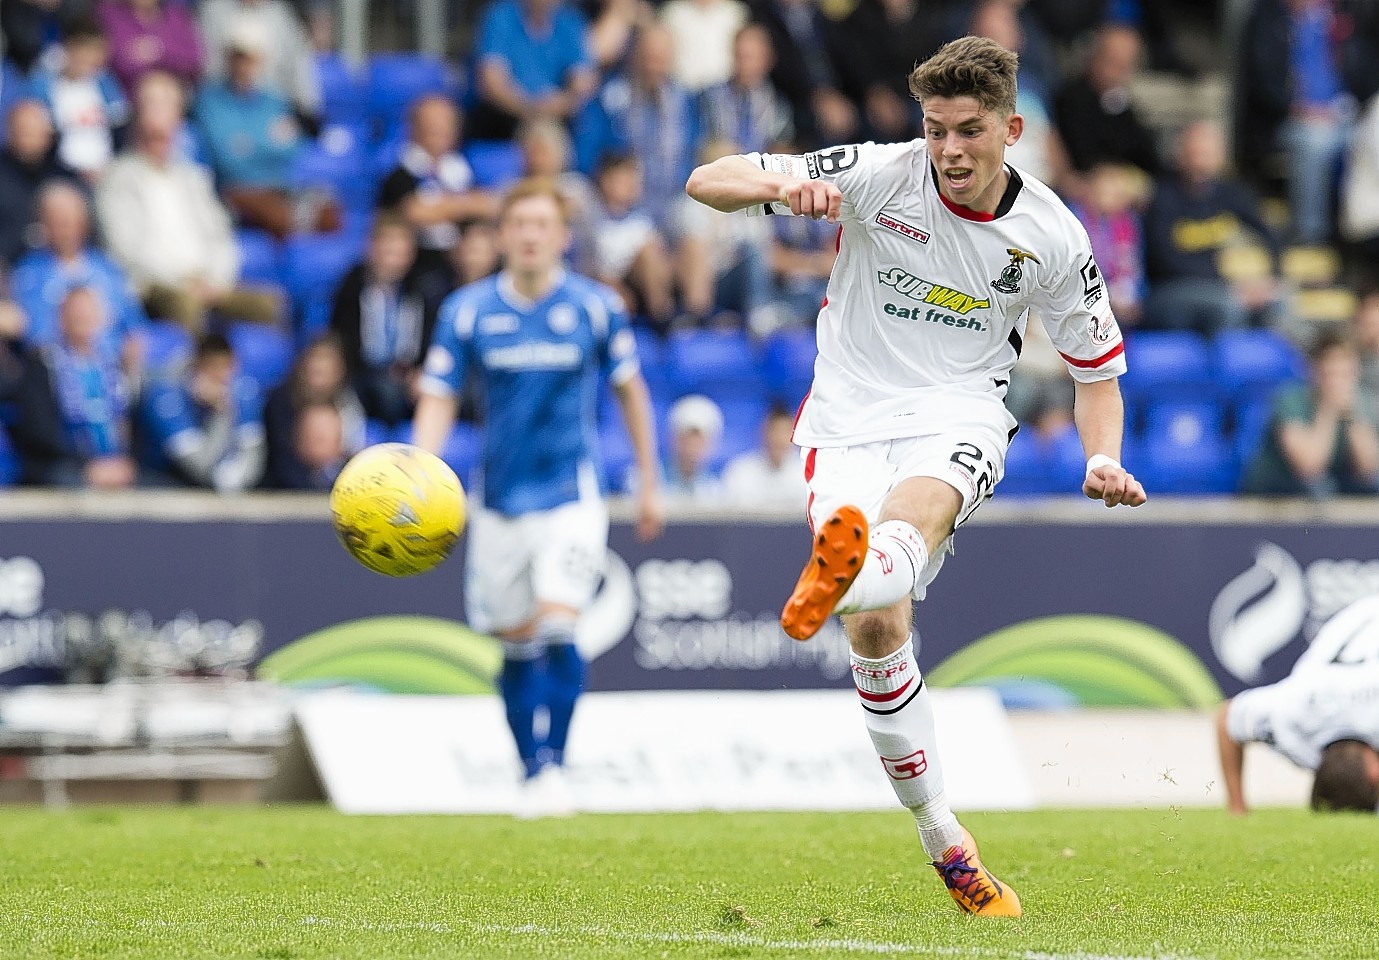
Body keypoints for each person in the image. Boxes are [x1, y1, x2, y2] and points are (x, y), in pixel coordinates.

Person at [685, 35, 1147, 917]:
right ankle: (945, 838)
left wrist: (1101, 457)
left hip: (958, 410)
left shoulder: (1049, 232)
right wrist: (787, 186)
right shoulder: (875, 170)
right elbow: (705, 181)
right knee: (874, 628)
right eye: (934, 130)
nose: (948, 151)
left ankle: (854, 566)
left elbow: (1097, 372)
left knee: (902, 530)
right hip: (846, 421)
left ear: (1011, 128)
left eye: (968, 131)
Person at [413, 177, 664, 816]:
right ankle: (530, 771)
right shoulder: (467, 311)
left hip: (571, 491)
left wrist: (650, 482)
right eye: (517, 223)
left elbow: (630, 391)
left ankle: (558, 765)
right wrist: (418, 468)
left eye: (540, 224)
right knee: (516, 642)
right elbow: (439, 394)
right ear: (502, 236)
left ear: (560, 236)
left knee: (559, 622)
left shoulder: (595, 307)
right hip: (497, 498)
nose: (528, 235)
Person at [97, 76, 282, 333]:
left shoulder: (193, 177)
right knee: (186, 306)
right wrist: (184, 282)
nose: (159, 125)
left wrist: (215, 280)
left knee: (270, 304)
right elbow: (126, 250)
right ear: (137, 118)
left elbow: (220, 235)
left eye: (166, 109)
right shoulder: (118, 178)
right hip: (155, 287)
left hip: (207, 283)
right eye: (152, 108)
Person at [1216, 595, 1379, 815]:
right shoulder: (1294, 710)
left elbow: (1227, 717)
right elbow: (1227, 718)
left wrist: (1237, 808)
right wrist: (1237, 809)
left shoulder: (1292, 714)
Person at [194, 20, 338, 240]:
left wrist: (249, 144)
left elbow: (292, 149)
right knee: (277, 216)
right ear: (228, 57)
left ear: (262, 60)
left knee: (331, 214)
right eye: (239, 56)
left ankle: (294, 227)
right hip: (235, 191)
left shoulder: (274, 100)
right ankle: (293, 228)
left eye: (252, 58)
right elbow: (229, 159)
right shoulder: (210, 100)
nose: (245, 65)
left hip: (280, 187)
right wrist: (268, 143)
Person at [1142, 120, 1280, 335]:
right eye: (1196, 152)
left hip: (1232, 285)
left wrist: (1267, 279)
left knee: (1281, 301)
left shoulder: (1235, 194)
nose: (1202, 160)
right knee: (1227, 305)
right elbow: (1164, 260)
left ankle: (1274, 369)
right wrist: (1228, 283)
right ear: (1181, 156)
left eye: (1208, 152)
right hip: (1172, 289)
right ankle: (1228, 368)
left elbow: (1269, 237)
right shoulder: (1162, 198)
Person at [10, 181, 148, 374]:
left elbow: (133, 323)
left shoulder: (106, 267)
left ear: (83, 224)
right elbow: (36, 338)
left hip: (115, 367)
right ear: (43, 225)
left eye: (69, 222)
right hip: (62, 373)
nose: (64, 230)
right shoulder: (29, 273)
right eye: (56, 222)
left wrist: (132, 346)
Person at [12, 286, 140, 489]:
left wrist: (123, 463)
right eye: (75, 312)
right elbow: (39, 429)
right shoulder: (43, 363)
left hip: (115, 464)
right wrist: (88, 466)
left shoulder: (113, 364)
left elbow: (128, 420)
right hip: (62, 464)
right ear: (61, 318)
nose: (82, 317)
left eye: (88, 312)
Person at [377, 95, 498, 287]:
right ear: (414, 128)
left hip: (458, 260)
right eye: (431, 124)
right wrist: (465, 204)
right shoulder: (400, 173)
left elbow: (487, 205)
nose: (438, 130)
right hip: (418, 265)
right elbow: (416, 213)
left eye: (444, 124)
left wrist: (443, 208)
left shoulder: (462, 170)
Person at [330, 213, 438, 426]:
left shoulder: (422, 290)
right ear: (371, 249)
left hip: (409, 375)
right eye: (387, 250)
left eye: (399, 252)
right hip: (363, 375)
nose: (392, 259)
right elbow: (342, 340)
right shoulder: (352, 288)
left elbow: (430, 340)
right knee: (384, 392)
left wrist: (422, 371)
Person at [1241, 330, 1379, 498]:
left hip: (1328, 481)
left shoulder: (1363, 401)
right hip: (1275, 486)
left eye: (1345, 374)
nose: (1337, 382)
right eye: (1330, 374)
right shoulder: (1291, 399)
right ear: (1314, 371)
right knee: (1318, 488)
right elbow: (1308, 466)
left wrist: (1353, 416)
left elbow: (1368, 468)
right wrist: (1327, 410)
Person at [139, 331, 266, 492]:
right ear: (197, 366)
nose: (221, 379)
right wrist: (220, 413)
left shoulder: (243, 389)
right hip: (162, 479)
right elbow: (200, 466)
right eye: (213, 369)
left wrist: (234, 481)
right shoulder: (165, 395)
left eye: (227, 368)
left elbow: (252, 452)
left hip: (224, 482)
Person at [470, 0, 597, 141]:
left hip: (557, 122)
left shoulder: (570, 21)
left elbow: (583, 82)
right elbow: (491, 81)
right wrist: (531, 108)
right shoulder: (501, 16)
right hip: (505, 121)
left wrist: (561, 103)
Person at [1052, 24, 1161, 179]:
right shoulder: (1069, 101)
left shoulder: (1124, 107)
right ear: (1094, 57)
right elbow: (1081, 157)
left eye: (1126, 64)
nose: (1119, 71)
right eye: (1112, 61)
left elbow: (1147, 159)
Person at [29, 17, 131, 182]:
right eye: (84, 54)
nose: (90, 62)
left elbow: (120, 124)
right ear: (68, 48)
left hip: (106, 171)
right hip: (61, 173)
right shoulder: (44, 84)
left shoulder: (104, 83)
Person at [262, 334, 365, 489]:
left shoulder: (348, 401)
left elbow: (353, 447)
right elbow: (281, 459)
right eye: (315, 366)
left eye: (325, 368)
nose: (318, 373)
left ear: (339, 371)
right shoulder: (280, 401)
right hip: (285, 487)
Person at [199, 0, 321, 126]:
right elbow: (206, 69)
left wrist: (307, 112)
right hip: (224, 104)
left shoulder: (280, 15)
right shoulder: (215, 10)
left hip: (272, 108)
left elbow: (298, 68)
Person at [0, 99, 82, 266]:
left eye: (32, 131)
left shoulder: (66, 177)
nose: (26, 139)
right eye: (21, 131)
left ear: (48, 134)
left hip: (63, 268)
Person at [697, 24, 794, 157]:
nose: (742, 64)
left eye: (749, 57)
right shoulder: (710, 97)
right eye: (739, 56)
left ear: (767, 60)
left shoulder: (778, 103)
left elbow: (782, 148)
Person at [98, 0, 206, 96]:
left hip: (176, 91)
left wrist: (159, 50)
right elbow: (115, 61)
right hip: (126, 96)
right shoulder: (109, 14)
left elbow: (194, 58)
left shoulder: (175, 14)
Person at [722, 403, 807, 506]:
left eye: (785, 432)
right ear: (763, 433)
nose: (779, 439)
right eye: (775, 431)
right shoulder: (740, 471)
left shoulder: (806, 473)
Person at [658, 392, 725, 501]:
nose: (692, 448)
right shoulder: (643, 481)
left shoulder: (717, 489)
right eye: (686, 439)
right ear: (673, 438)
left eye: (699, 441)